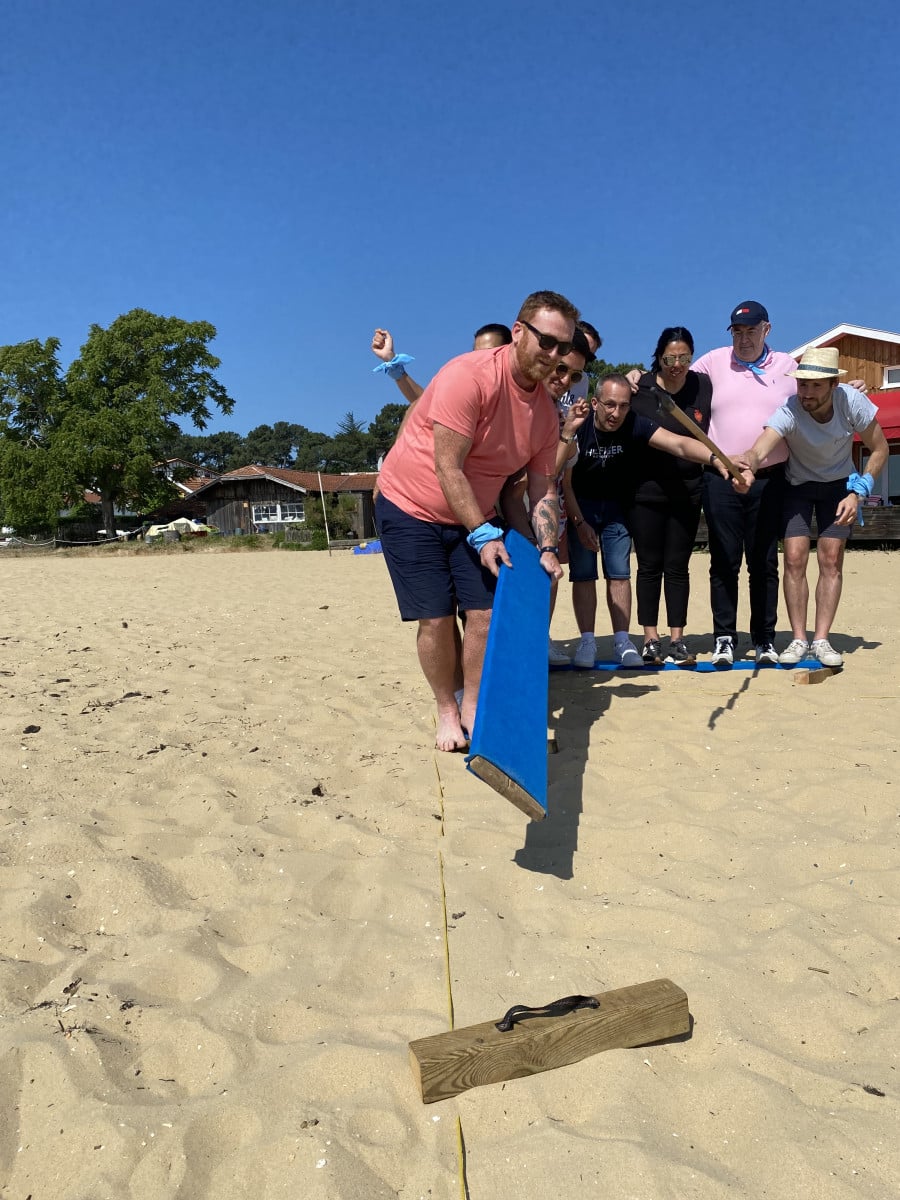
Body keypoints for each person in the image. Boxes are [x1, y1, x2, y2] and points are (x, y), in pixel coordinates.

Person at [375, 291, 578, 750]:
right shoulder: (467, 377)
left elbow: (543, 489)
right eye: (545, 341)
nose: (553, 355)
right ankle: (447, 709)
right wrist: (485, 536)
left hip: (474, 513)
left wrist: (546, 547)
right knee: (436, 619)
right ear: (520, 331)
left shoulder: (546, 415)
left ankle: (473, 707)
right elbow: (448, 467)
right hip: (410, 506)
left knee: (485, 615)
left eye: (562, 348)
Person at [563, 375, 740, 670]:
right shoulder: (579, 430)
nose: (615, 413)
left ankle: (622, 641)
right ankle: (587, 640)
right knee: (583, 574)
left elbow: (678, 444)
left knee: (619, 573)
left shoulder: (633, 422)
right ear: (595, 403)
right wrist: (579, 522)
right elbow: (562, 480)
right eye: (608, 405)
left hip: (617, 508)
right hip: (581, 506)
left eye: (622, 406)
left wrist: (715, 458)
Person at [737, 347, 888, 667]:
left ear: (834, 385)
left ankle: (820, 639)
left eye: (815, 385)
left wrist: (859, 492)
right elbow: (761, 447)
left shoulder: (852, 402)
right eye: (802, 384)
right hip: (798, 487)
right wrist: (748, 463)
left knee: (830, 559)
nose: (806, 392)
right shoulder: (790, 409)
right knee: (793, 559)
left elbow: (881, 448)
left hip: (841, 488)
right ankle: (798, 639)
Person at [497, 328, 594, 665]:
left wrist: (578, 520)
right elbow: (527, 482)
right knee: (510, 592)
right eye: (562, 369)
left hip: (547, 513)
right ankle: (519, 652)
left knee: (548, 580)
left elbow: (559, 480)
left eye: (576, 374)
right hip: (511, 514)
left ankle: (539, 639)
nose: (567, 379)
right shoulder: (520, 404)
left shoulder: (557, 413)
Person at [629, 327, 712, 665]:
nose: (677, 364)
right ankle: (651, 639)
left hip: (688, 490)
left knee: (678, 567)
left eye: (684, 358)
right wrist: (630, 374)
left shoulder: (702, 385)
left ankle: (677, 639)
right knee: (649, 566)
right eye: (669, 358)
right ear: (658, 357)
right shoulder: (641, 388)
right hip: (645, 492)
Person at [371, 324, 512, 405]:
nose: (482, 360)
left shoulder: (529, 399)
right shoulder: (469, 397)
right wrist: (391, 361)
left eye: (490, 353)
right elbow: (425, 404)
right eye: (476, 354)